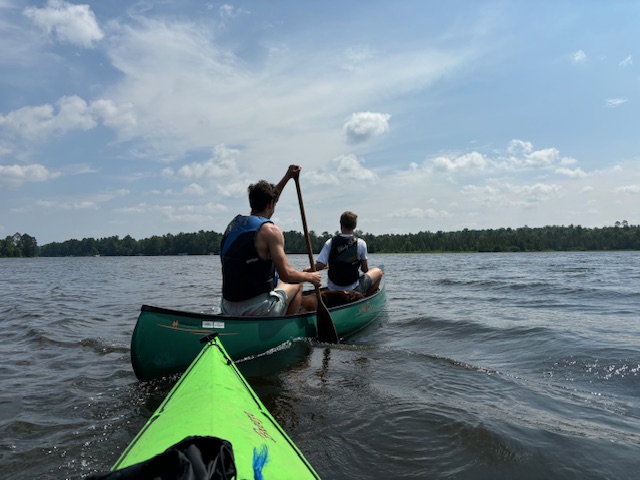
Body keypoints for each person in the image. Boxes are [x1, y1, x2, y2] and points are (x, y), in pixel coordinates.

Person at [219, 165, 321, 316]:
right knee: (296, 285)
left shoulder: (235, 223)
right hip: (255, 309)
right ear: (270, 204)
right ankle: (286, 330)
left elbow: (269, 199)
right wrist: (310, 277)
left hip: (227, 306)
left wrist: (287, 177)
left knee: (278, 283)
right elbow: (287, 274)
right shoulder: (270, 231)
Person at [307, 211, 382, 296]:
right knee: (378, 272)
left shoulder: (330, 242)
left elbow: (320, 266)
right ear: (354, 226)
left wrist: (307, 270)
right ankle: (365, 298)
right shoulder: (361, 243)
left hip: (333, 289)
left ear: (341, 224)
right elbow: (364, 270)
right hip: (353, 289)